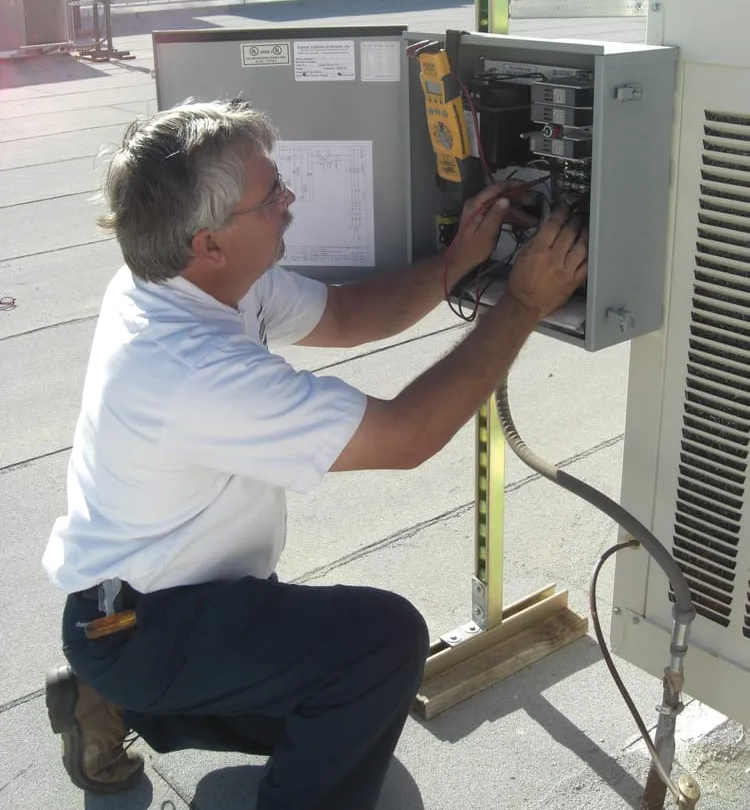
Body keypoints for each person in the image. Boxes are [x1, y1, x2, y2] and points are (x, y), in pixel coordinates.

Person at [41, 99, 587, 809]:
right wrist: (522, 302)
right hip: (140, 624)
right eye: (272, 198)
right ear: (208, 242)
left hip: (149, 601)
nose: (289, 201)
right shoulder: (188, 368)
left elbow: (349, 315)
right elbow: (408, 437)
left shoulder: (185, 274)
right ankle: (120, 686)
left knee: (331, 700)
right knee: (380, 647)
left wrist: (459, 261)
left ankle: (110, 698)